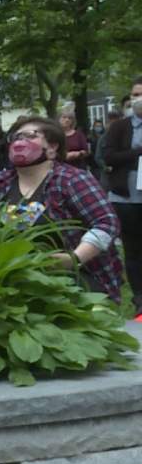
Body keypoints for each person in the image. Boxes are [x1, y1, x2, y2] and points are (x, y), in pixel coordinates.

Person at [0, 116, 124, 304]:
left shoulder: (72, 180)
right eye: (16, 137)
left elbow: (107, 224)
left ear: (52, 147)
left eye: (30, 136)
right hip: (13, 283)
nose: (19, 142)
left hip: (76, 283)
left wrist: (74, 258)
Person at [102, 81, 142, 318]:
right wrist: (137, 153)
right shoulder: (120, 128)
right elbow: (108, 157)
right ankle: (139, 296)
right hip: (125, 198)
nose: (139, 98)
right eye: (136, 94)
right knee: (133, 249)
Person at [96, 109, 122, 186]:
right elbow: (98, 157)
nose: (112, 124)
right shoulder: (103, 138)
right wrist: (105, 167)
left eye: (115, 121)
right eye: (110, 121)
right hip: (107, 175)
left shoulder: (125, 137)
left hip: (122, 174)